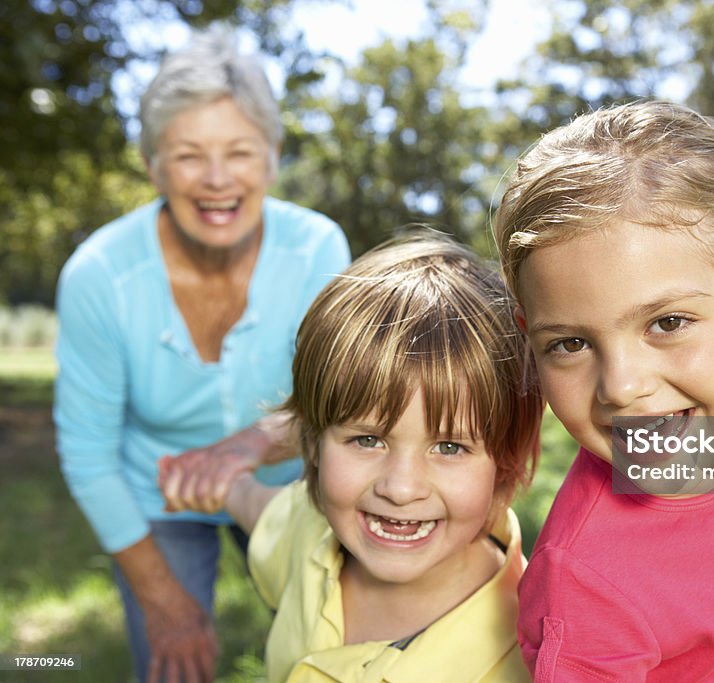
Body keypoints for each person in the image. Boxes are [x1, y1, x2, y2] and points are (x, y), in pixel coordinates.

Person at [493, 100, 714, 681]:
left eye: (668, 323)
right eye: (571, 344)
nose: (623, 387)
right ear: (532, 341)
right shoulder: (585, 583)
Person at [53, 28, 350, 683]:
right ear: (154, 165)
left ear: (271, 158)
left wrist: (247, 446)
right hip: (153, 487)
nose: (217, 180)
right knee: (172, 659)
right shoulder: (99, 274)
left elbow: (337, 403)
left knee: (333, 649)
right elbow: (87, 449)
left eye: (240, 151)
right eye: (188, 155)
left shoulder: (318, 249)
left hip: (284, 476)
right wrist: (164, 601)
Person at [158, 235, 544, 682]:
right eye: (367, 439)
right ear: (313, 443)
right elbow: (255, 508)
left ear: (506, 462)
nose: (400, 489)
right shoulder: (309, 532)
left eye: (449, 447)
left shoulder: (523, 658)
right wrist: (216, 482)